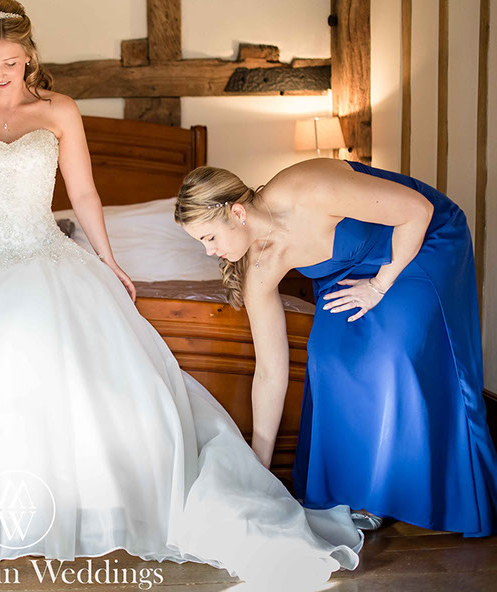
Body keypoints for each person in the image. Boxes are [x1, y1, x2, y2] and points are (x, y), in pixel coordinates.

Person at [0, 0, 363, 588]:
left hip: (43, 251)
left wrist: (110, 261)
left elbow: (85, 196)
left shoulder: (61, 111)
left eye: (12, 62)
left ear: (29, 55)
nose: (1, 74)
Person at [176, 159, 497, 536]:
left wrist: (379, 286)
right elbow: (270, 371)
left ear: (237, 212)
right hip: (346, 272)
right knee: (328, 356)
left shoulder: (310, 190)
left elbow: (417, 211)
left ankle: (381, 494)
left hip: (420, 243)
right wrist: (258, 466)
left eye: (209, 237)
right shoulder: (261, 267)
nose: (209, 252)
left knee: (389, 352)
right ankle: (351, 482)